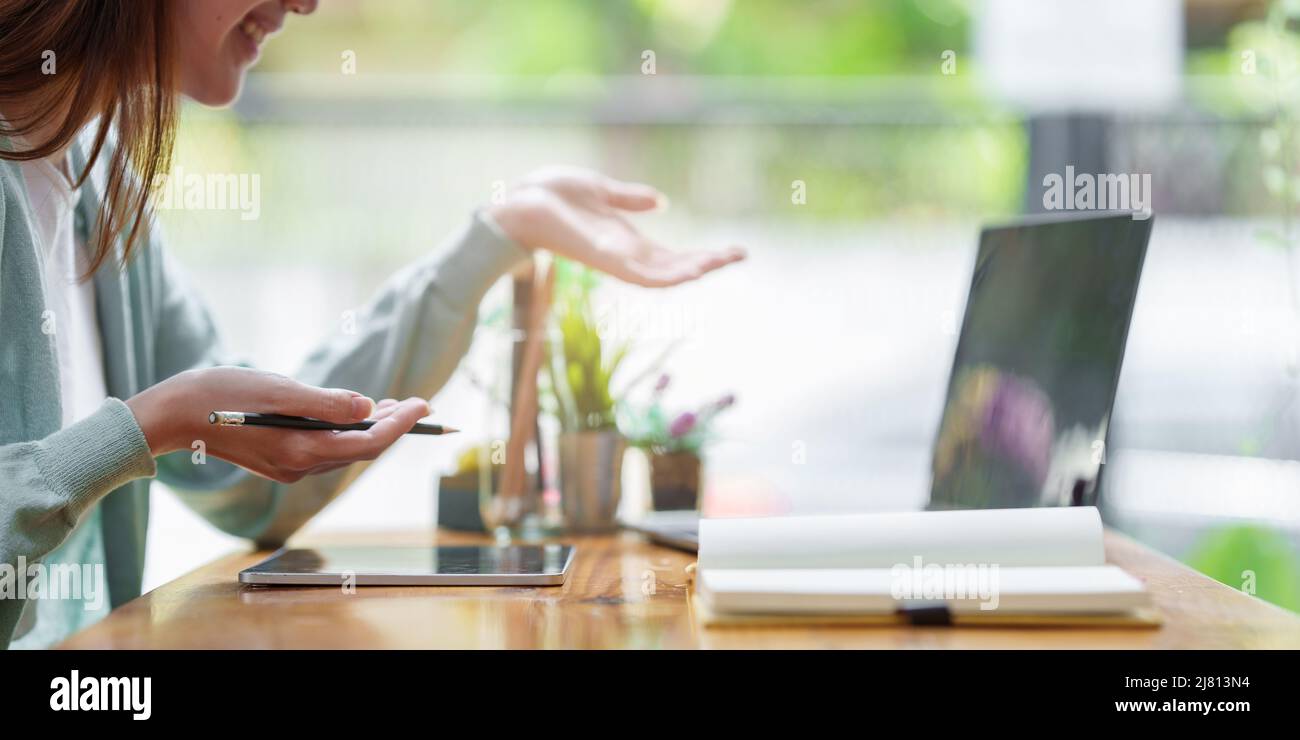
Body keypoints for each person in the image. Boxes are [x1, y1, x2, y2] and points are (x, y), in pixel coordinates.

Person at [0, 0, 744, 649]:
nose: (308, 2)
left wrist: (497, 236)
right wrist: (152, 423)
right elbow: (181, 429)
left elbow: (254, 477)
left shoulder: (101, 194)